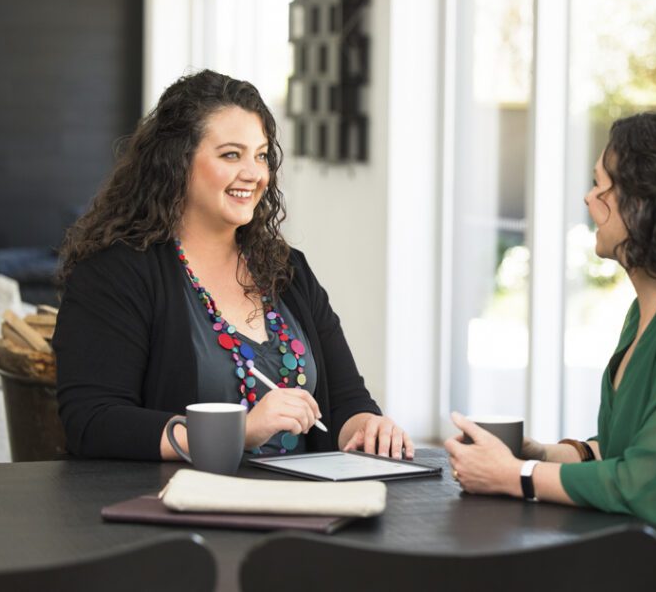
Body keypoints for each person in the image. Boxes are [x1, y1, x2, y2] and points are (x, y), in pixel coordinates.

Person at [445, 112, 656, 570]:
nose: (589, 198)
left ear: (645, 202)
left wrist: (516, 476)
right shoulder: (653, 310)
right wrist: (546, 453)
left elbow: (649, 489)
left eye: (600, 186)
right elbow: (638, 449)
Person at [55, 69, 413, 461]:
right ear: (177, 161)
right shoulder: (114, 274)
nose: (253, 174)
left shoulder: (287, 271)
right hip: (179, 509)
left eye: (260, 155)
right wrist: (236, 432)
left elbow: (345, 401)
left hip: (302, 508)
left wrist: (369, 427)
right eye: (231, 154)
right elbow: (93, 423)